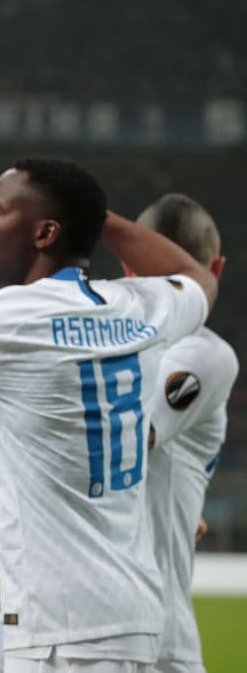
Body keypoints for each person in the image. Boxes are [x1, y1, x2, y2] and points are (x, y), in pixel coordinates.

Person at [0, 158, 217, 673]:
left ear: (45, 232)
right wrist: (95, 217)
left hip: (62, 634)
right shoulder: (137, 307)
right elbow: (198, 280)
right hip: (128, 614)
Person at [136, 194, 237, 673]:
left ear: (129, 269)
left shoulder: (200, 354)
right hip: (115, 629)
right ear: (216, 269)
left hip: (152, 642)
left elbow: (118, 444)